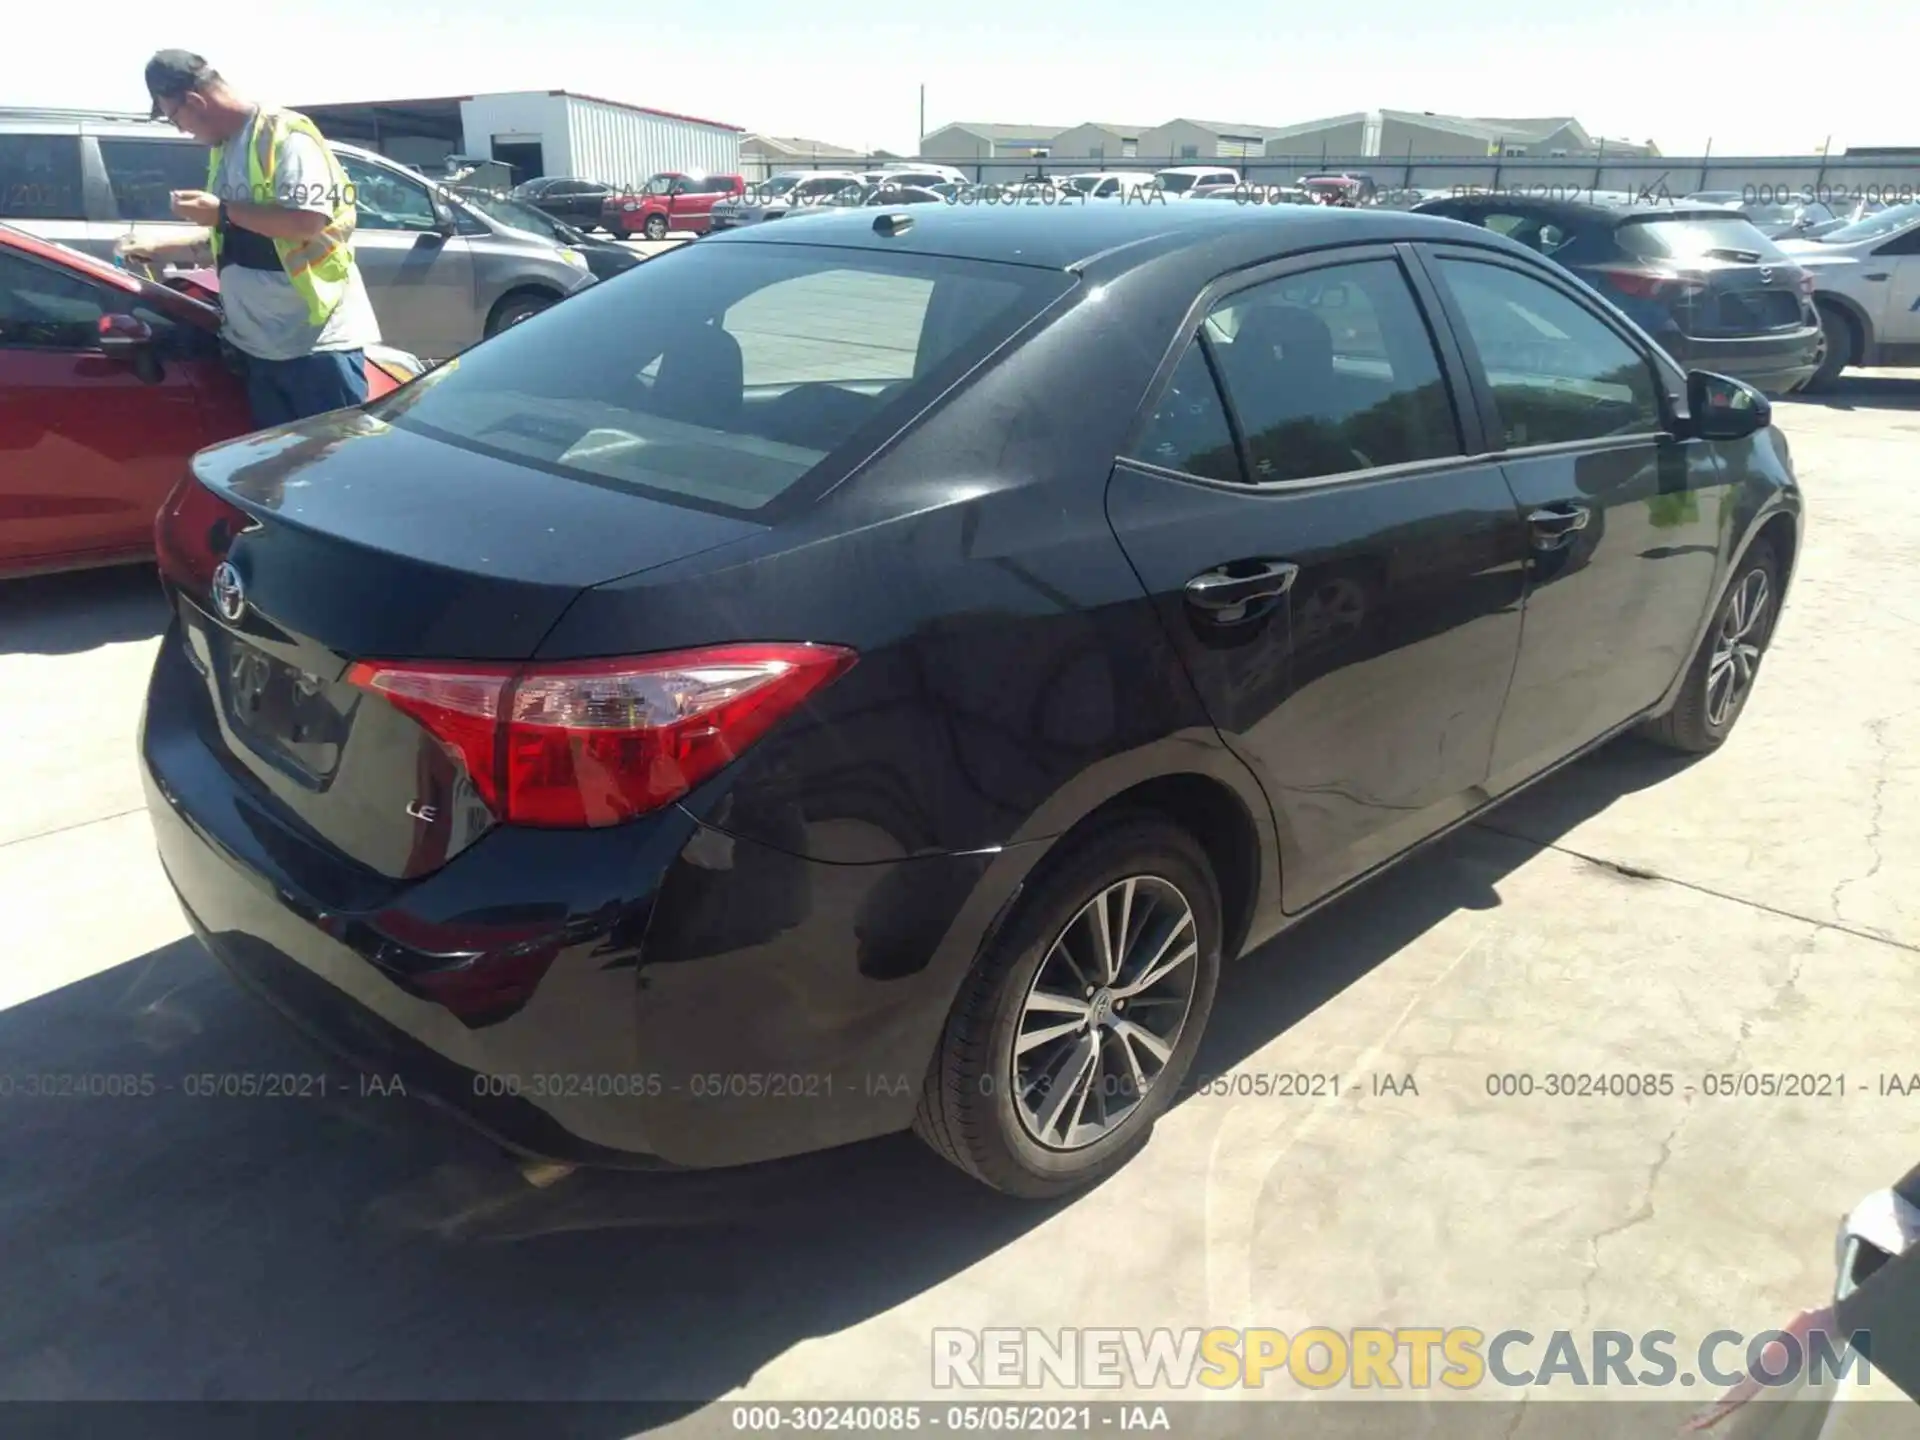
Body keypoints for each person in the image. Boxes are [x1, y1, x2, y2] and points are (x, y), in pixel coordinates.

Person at [119, 51, 381, 427]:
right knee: (281, 476)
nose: (180, 130)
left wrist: (222, 211)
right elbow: (236, 238)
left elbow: (306, 222)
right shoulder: (225, 150)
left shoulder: (284, 137)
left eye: (175, 117)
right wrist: (157, 247)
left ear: (195, 101)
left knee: (332, 472)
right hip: (262, 348)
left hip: (315, 350)